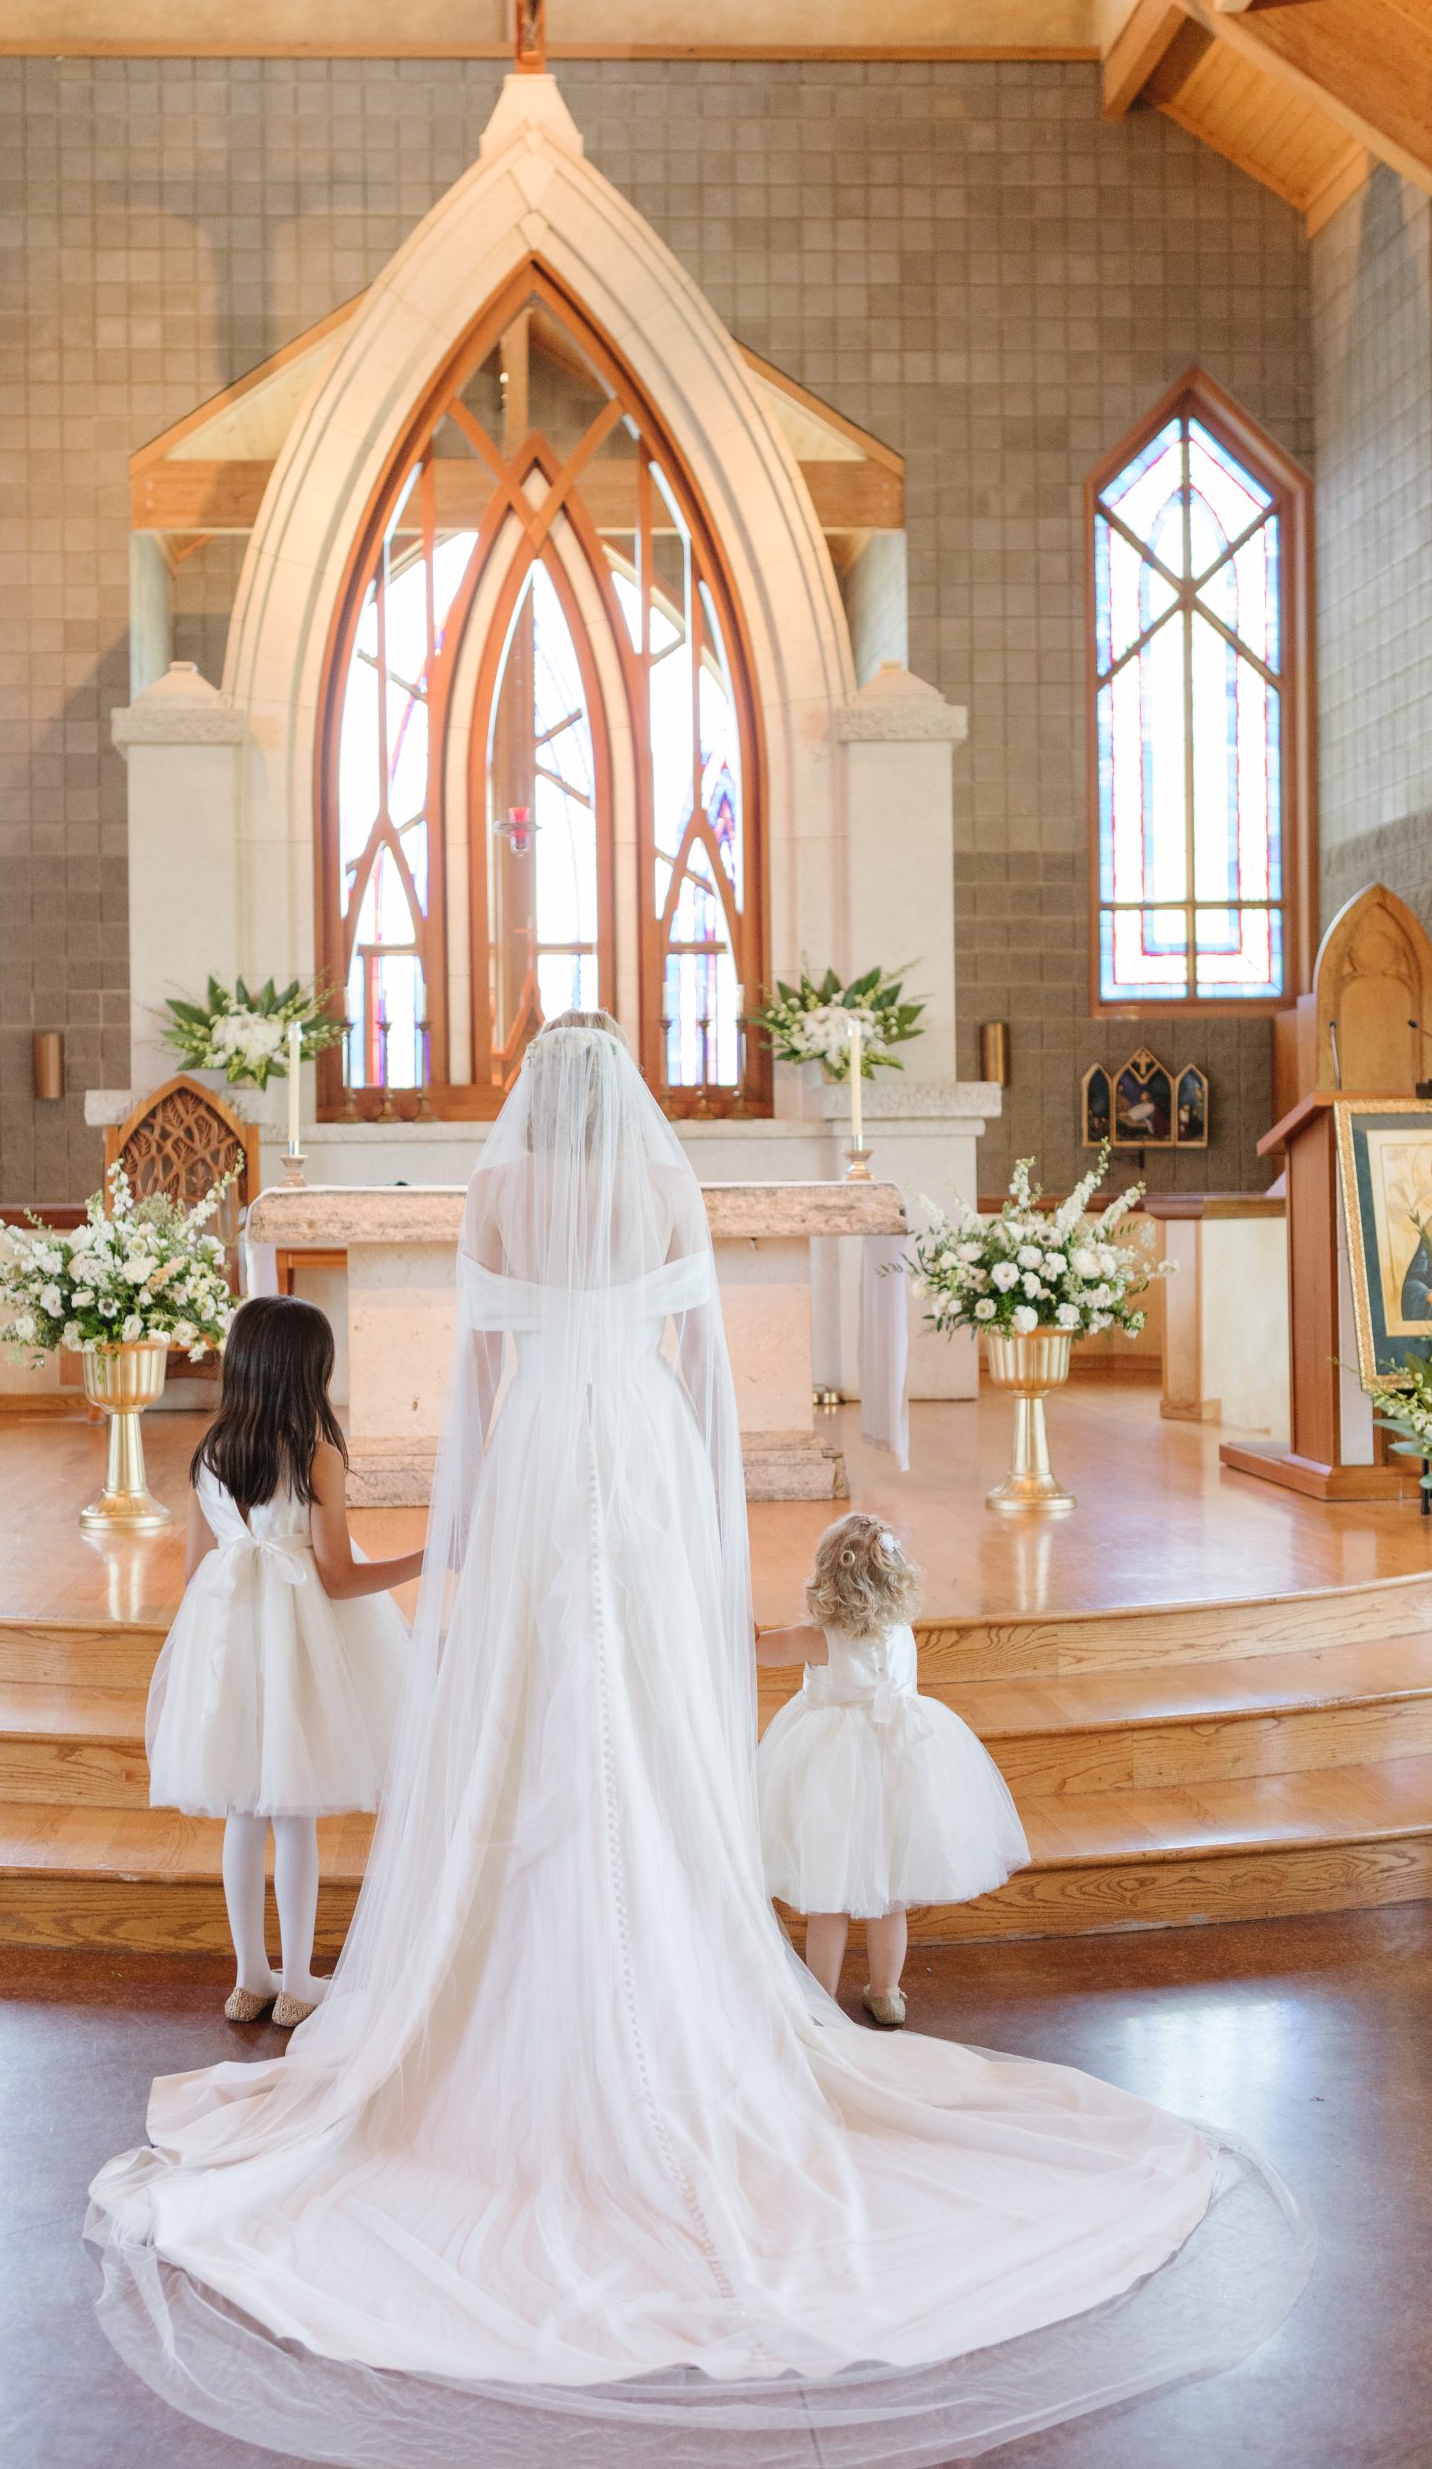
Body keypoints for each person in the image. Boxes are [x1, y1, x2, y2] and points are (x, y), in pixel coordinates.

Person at [90, 1013, 1311, 2467]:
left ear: (536, 1102)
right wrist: (680, 1489)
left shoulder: (497, 1187)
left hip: (541, 1441)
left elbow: (480, 1367)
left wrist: (471, 1520)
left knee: (534, 1699)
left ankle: (494, 1997)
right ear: (632, 1104)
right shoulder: (663, 1190)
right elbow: (692, 1361)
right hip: (641, 1453)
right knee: (641, 1706)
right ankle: (679, 1964)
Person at [145, 1296, 419, 2025]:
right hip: (297, 1642)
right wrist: (428, 1558)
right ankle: (299, 1983)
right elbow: (336, 1578)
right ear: (307, 1370)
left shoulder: (211, 1450)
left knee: (243, 1810)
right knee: (292, 1815)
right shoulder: (315, 1454)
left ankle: (250, 1978)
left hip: (229, 1637)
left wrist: (212, 1637)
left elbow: (196, 1566)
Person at [755, 1511, 1029, 2027]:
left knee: (828, 1899)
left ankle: (819, 2002)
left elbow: (757, 1650)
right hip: (900, 1763)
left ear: (827, 1578)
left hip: (832, 1774)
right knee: (888, 1896)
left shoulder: (817, 1637)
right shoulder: (902, 1629)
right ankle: (886, 1993)